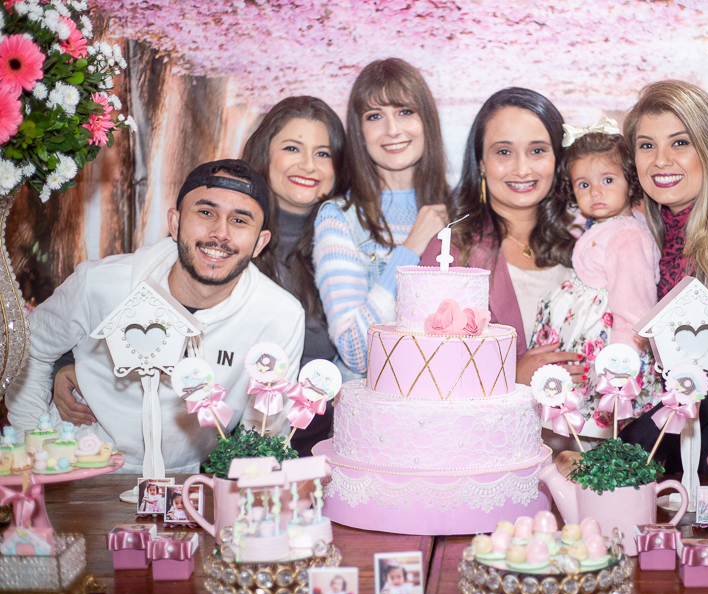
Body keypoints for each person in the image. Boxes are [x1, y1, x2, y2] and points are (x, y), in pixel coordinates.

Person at [554, 80, 708, 477]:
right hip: (669, 461)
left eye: (680, 143)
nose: (661, 161)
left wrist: (618, 454)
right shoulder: (647, 236)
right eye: (647, 145)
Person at [7, 159, 306, 473]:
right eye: (206, 213)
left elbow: (263, 432)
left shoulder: (280, 316)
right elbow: (29, 349)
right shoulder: (100, 284)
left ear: (260, 243)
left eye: (240, 220)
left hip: (183, 481)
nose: (220, 233)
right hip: (78, 466)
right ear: (175, 223)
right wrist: (36, 452)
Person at [420, 87, 582, 385]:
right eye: (504, 152)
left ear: (558, 158)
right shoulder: (450, 252)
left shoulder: (584, 240)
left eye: (537, 150)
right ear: (481, 163)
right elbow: (426, 369)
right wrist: (511, 378)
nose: (522, 169)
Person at [314, 58, 449, 374]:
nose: (392, 130)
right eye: (375, 116)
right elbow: (356, 351)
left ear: (427, 120)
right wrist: (410, 249)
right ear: (359, 132)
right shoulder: (339, 217)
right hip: (374, 398)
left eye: (405, 112)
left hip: (447, 394)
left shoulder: (458, 209)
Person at [531, 122, 660, 426]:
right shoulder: (605, 224)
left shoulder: (628, 237)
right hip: (584, 342)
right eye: (584, 185)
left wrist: (619, 365)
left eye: (608, 180)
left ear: (631, 183)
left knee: (600, 426)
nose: (596, 192)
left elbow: (632, 308)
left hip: (610, 350)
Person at [241, 96, 348, 455]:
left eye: (323, 153)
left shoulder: (348, 245)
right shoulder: (227, 234)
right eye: (292, 148)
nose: (308, 165)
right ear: (264, 153)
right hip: (228, 446)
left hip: (320, 449)